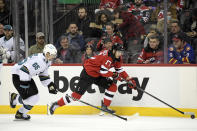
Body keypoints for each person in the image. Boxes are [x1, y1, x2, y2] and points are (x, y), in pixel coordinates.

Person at [49, 43, 136, 115]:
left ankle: (104, 107)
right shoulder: (108, 58)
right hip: (88, 74)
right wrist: (115, 76)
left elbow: (120, 70)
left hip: (97, 74)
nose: (121, 54)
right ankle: (56, 104)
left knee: (112, 87)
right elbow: (104, 72)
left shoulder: (117, 57)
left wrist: (128, 79)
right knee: (76, 96)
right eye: (119, 52)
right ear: (114, 50)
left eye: (122, 52)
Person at [9, 44, 58, 120]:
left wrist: (49, 84)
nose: (53, 57)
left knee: (35, 98)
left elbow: (43, 74)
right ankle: (16, 101)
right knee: (30, 99)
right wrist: (24, 83)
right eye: (52, 55)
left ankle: (20, 111)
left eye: (54, 55)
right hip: (19, 76)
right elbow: (24, 69)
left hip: (26, 76)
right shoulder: (39, 61)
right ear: (47, 53)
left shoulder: (46, 61)